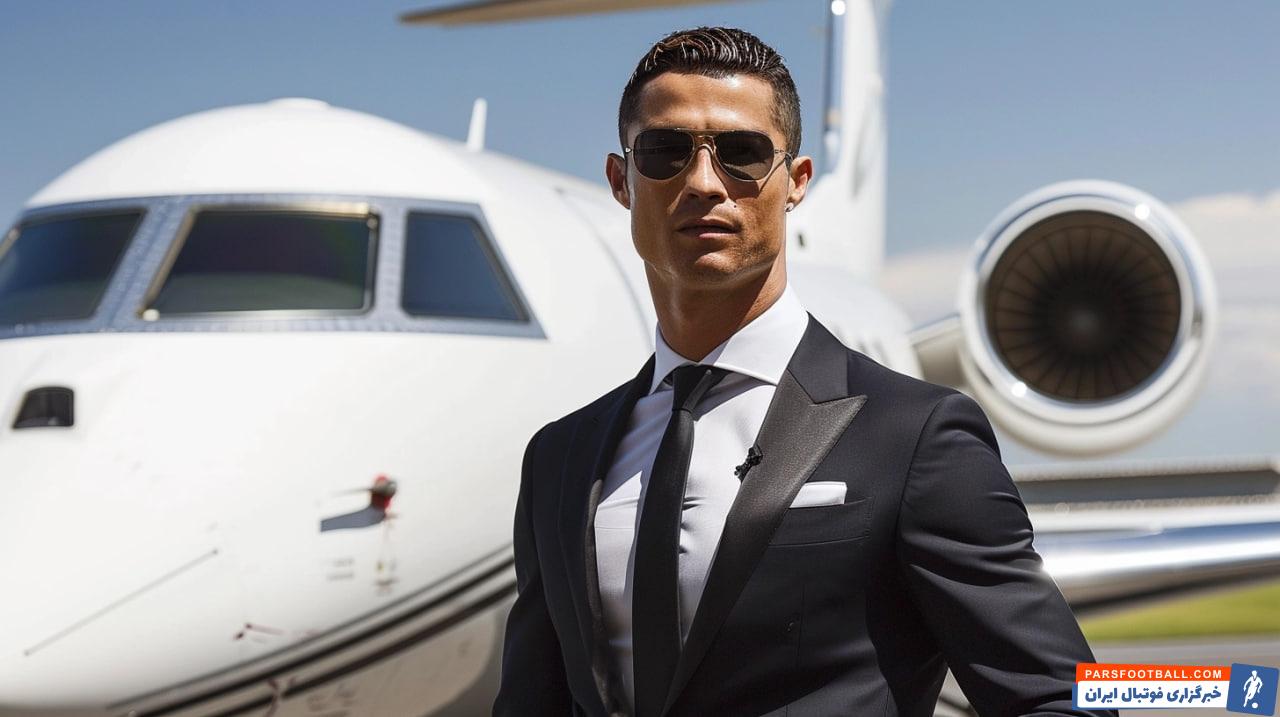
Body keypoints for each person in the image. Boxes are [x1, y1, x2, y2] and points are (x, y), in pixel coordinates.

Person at [494, 26, 1114, 717]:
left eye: (743, 153)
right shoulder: (560, 460)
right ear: (621, 181)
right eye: (666, 151)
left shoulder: (917, 439)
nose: (704, 182)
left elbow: (1065, 695)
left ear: (795, 182)